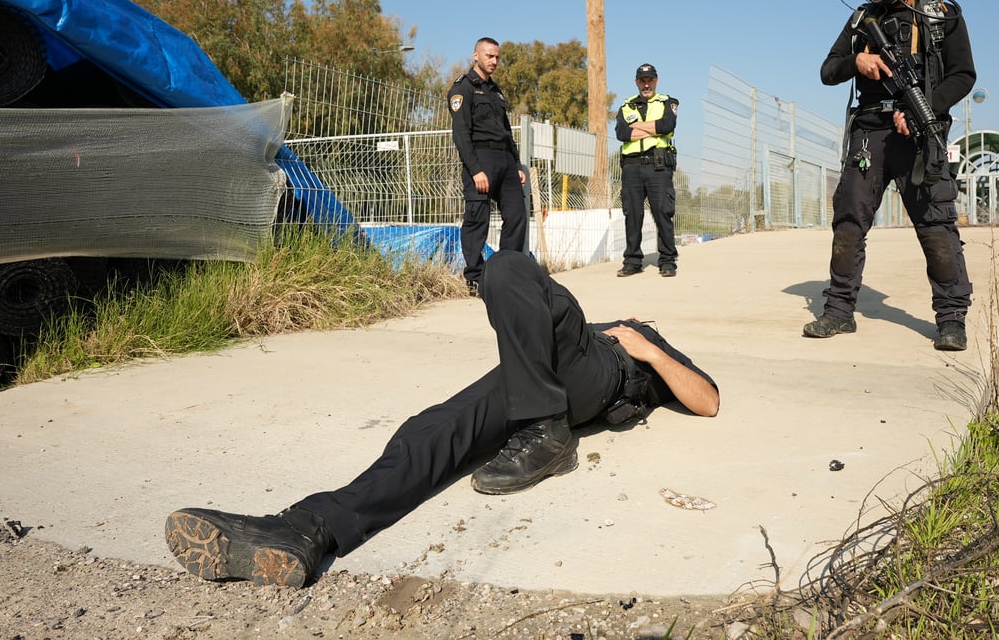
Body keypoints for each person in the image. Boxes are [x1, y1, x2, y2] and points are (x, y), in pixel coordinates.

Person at [164, 250, 719, 588]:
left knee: (506, 264)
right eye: (641, 329)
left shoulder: (641, 341)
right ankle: (306, 530)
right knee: (432, 429)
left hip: (599, 374)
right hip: (541, 382)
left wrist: (645, 345)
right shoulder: (581, 324)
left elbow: (708, 399)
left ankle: (549, 433)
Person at [804, 0, 976, 351]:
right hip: (870, 132)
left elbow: (963, 75)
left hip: (918, 134)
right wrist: (856, 62)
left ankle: (951, 319)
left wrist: (921, 110)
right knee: (848, 222)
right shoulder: (864, 18)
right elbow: (828, 70)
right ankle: (840, 312)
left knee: (936, 226)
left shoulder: (940, 15)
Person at [447, 37, 527, 295]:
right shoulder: (463, 89)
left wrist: (516, 164)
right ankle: (475, 277)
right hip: (480, 160)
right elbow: (461, 134)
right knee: (476, 221)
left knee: (517, 217)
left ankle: (508, 272)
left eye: (497, 57)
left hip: (504, 161)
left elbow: (506, 131)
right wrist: (475, 169)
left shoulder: (496, 91)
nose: (493, 61)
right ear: (475, 56)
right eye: (488, 56)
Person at [615, 63, 679, 278]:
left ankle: (667, 260)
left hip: (658, 165)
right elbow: (622, 133)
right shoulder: (626, 106)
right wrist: (652, 128)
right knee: (632, 215)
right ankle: (632, 261)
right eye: (642, 81)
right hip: (631, 166)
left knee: (663, 212)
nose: (646, 84)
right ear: (636, 83)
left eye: (650, 80)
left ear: (656, 81)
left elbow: (666, 126)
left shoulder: (667, 102)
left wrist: (638, 127)